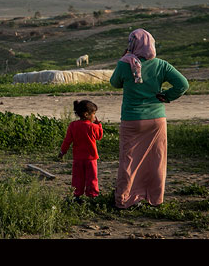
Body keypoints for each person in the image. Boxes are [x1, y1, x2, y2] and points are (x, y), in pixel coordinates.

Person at [110, 28, 189, 209]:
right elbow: (183, 84)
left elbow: (115, 83)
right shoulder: (161, 65)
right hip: (156, 120)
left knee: (128, 161)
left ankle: (124, 200)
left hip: (131, 119)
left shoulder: (125, 64)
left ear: (132, 44)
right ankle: (154, 198)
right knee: (156, 160)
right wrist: (167, 96)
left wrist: (122, 60)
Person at [58, 99, 104, 199]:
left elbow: (67, 141)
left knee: (78, 178)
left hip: (78, 158)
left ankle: (77, 195)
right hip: (91, 158)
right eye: (94, 114)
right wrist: (99, 125)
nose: (94, 116)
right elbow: (99, 136)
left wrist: (62, 151)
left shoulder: (73, 125)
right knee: (91, 178)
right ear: (87, 114)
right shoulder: (93, 127)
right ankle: (93, 195)